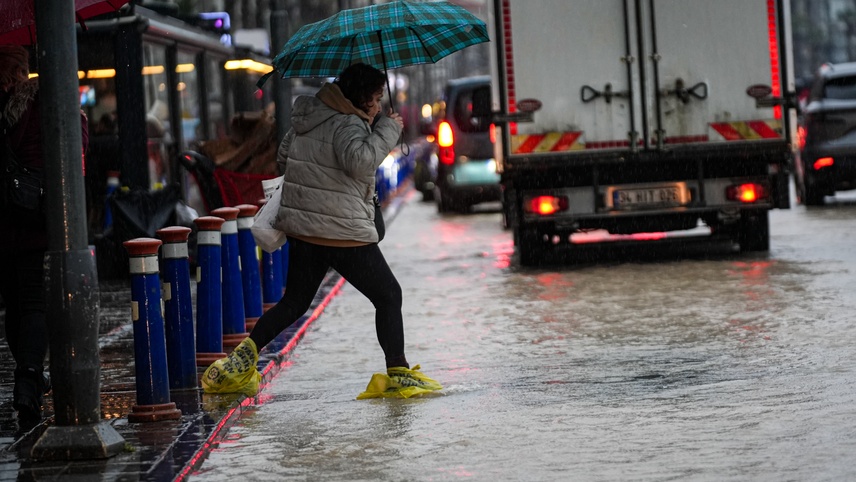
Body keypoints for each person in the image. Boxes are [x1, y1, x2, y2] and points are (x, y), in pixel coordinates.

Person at [202, 63, 442, 399]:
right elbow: (359, 162)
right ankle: (398, 372)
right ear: (360, 98)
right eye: (374, 98)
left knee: (294, 302)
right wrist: (387, 129)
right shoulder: (347, 123)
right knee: (388, 295)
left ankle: (241, 361)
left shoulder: (310, 116)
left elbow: (285, 159)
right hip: (341, 231)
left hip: (305, 230)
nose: (376, 105)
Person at [0, 45, 89, 426]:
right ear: (22, 71)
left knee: (16, 306)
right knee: (36, 305)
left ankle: (29, 376)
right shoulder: (43, 103)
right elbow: (77, 145)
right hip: (38, 217)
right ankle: (29, 382)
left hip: (4, 224)